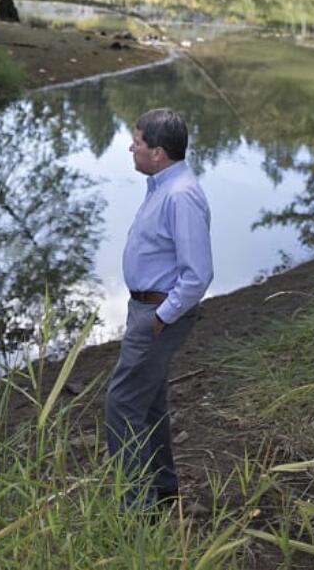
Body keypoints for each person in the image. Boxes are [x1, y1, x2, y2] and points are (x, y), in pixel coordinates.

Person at [105, 108, 214, 509]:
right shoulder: (161, 186)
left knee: (122, 404)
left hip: (158, 314)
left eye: (138, 141)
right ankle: (164, 489)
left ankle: (136, 506)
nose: (131, 147)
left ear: (159, 152)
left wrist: (160, 318)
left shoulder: (180, 195)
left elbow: (198, 275)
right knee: (148, 403)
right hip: (149, 310)